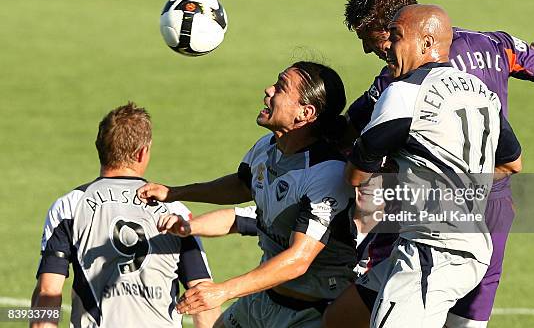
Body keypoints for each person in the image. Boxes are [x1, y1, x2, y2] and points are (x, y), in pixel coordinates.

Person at [324, 0, 534, 328]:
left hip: (432, 223)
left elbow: (348, 139)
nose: (375, 53)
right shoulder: (494, 45)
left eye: (376, 40)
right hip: (491, 212)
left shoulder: (398, 85)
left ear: (400, 28)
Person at [137, 61, 357, 328]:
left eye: (281, 87)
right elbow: (243, 184)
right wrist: (174, 193)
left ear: (305, 112)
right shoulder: (267, 147)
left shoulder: (327, 173)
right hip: (264, 301)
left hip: (313, 314)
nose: (268, 90)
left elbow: (298, 260)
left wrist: (223, 290)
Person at [345, 4, 522, 328]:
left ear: (427, 44)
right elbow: (513, 162)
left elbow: (356, 174)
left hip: (433, 249)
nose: (388, 48)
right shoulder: (480, 91)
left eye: (396, 37)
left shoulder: (402, 93)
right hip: (473, 243)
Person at [30, 103, 218, 328]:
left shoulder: (69, 207)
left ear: (99, 147)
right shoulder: (175, 212)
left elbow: (48, 292)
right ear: (142, 153)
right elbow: (203, 295)